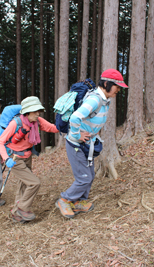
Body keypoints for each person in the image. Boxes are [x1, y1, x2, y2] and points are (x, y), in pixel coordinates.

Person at [56, 69, 128, 219]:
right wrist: (77, 135)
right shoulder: (95, 99)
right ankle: (64, 200)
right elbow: (75, 117)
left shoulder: (104, 99)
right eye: (117, 86)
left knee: (90, 174)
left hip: (88, 143)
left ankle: (79, 202)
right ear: (107, 84)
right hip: (76, 144)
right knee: (84, 177)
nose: (119, 90)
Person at [0, 96, 59, 223]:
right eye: (35, 111)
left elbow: (53, 128)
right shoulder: (16, 123)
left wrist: (64, 121)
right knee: (34, 183)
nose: (38, 114)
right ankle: (22, 208)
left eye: (38, 111)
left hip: (27, 156)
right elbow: (0, 142)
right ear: (27, 112)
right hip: (14, 159)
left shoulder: (37, 121)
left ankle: (16, 213)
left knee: (24, 184)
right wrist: (6, 158)